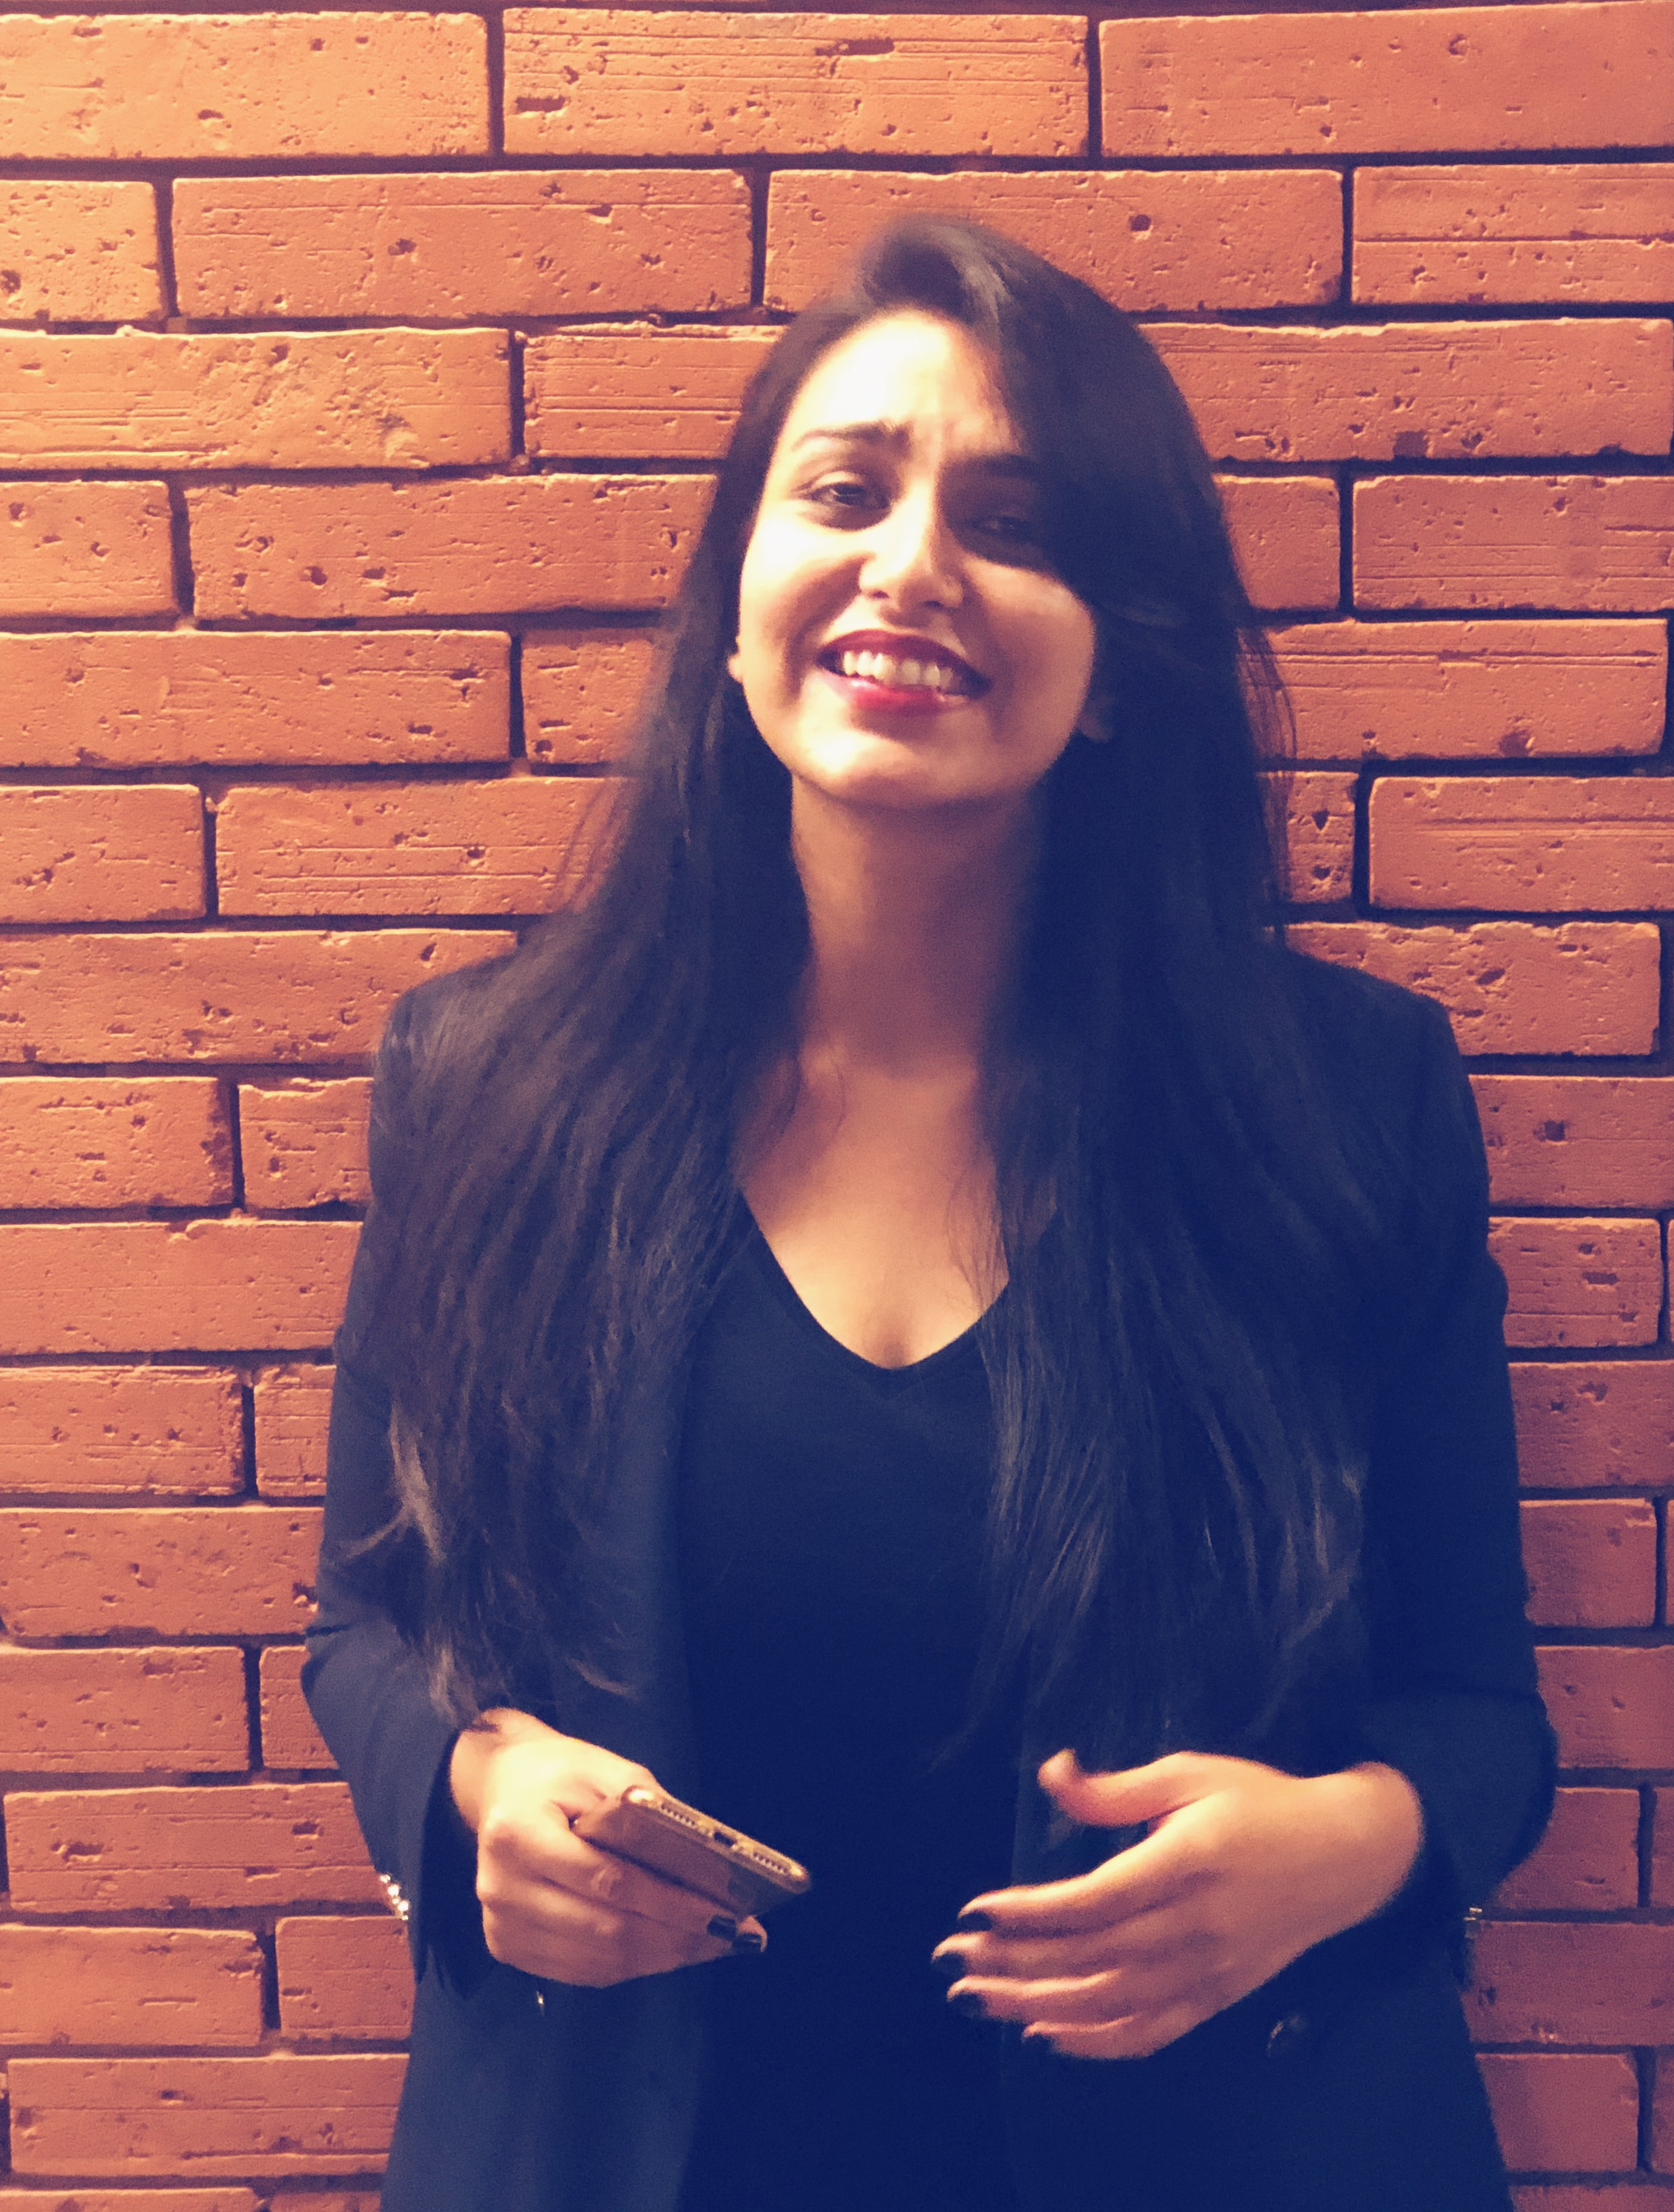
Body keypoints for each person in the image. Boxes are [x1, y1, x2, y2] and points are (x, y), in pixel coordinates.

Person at [305, 219, 1555, 2212]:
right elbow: (365, 1620)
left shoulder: (1345, 1102)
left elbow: (1481, 1712)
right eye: (844, 491)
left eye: (1014, 520)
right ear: (733, 611)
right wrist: (468, 1795)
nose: (911, 565)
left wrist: (1348, 1850)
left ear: (1121, 659)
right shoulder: (484, 1086)